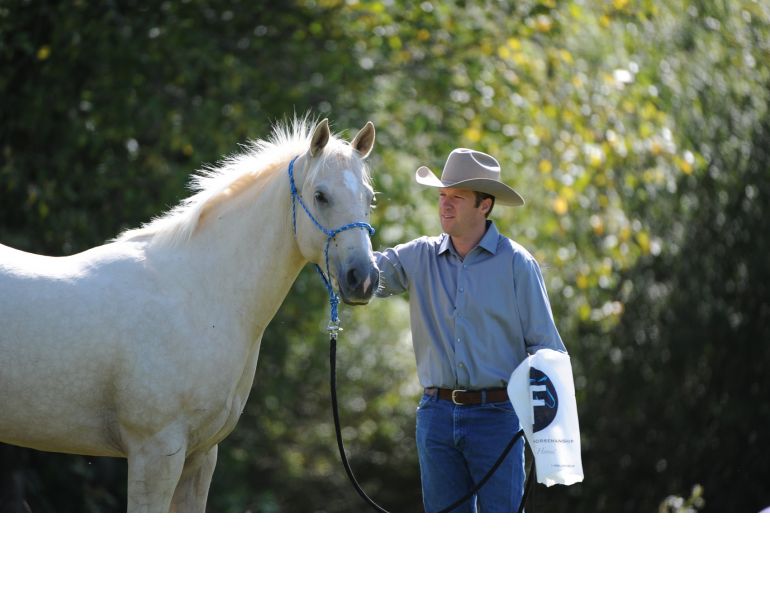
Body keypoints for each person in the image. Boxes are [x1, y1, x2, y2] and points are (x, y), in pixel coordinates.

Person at [374, 148, 566, 512]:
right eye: (442, 195)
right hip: (435, 417)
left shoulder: (517, 264)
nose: (444, 205)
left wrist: (549, 439)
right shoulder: (418, 256)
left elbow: (547, 352)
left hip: (498, 418)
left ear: (485, 205)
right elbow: (361, 277)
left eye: (457, 197)